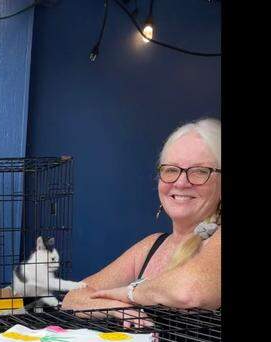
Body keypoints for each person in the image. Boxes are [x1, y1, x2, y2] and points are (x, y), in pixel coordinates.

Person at [62, 118, 221, 312]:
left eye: (199, 171)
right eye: (171, 170)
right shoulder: (151, 246)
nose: (180, 183)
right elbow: (73, 297)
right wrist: (117, 309)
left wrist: (130, 293)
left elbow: (189, 292)